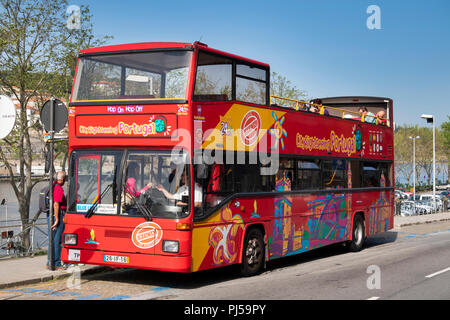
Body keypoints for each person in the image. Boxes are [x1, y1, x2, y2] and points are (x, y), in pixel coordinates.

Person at [47, 171, 67, 270]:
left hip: (50, 215)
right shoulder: (58, 188)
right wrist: (57, 219)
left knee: (52, 239)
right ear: (62, 179)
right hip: (58, 214)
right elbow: (56, 204)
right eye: (65, 178)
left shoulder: (52, 185)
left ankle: (49, 262)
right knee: (57, 240)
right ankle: (57, 263)